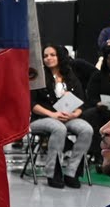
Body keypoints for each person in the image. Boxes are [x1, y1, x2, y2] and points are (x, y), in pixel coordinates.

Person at [31, 44, 92, 189]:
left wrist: (74, 114)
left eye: (52, 55)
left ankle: (72, 171)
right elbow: (31, 104)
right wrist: (52, 114)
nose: (48, 58)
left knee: (86, 129)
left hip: (67, 117)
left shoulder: (70, 76)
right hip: (42, 118)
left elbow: (81, 102)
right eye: (45, 56)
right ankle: (53, 172)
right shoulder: (37, 76)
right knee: (59, 128)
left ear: (60, 56)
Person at [83, 45, 110, 159]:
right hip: (99, 108)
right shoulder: (97, 75)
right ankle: (97, 153)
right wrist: (98, 103)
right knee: (91, 115)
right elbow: (90, 96)